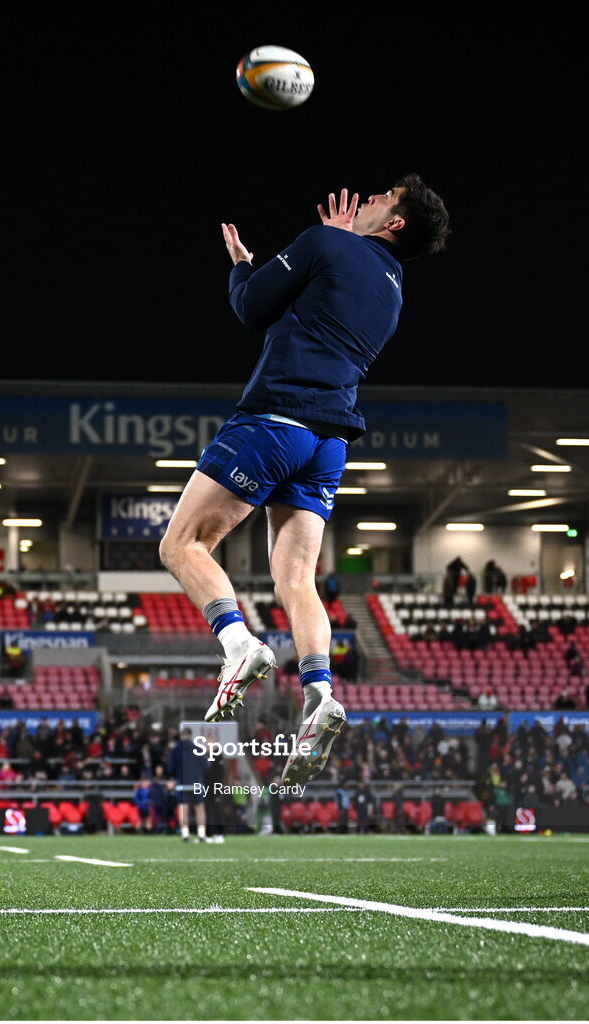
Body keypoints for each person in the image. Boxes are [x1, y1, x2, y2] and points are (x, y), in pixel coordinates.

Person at [159, 179, 450, 790]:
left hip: (276, 418)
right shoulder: (394, 291)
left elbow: (250, 308)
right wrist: (338, 245)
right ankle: (320, 692)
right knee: (295, 579)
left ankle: (237, 645)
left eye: (384, 195)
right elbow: (334, 294)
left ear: (395, 221)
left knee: (182, 545)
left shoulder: (326, 242)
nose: (370, 196)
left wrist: (244, 266)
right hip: (330, 442)